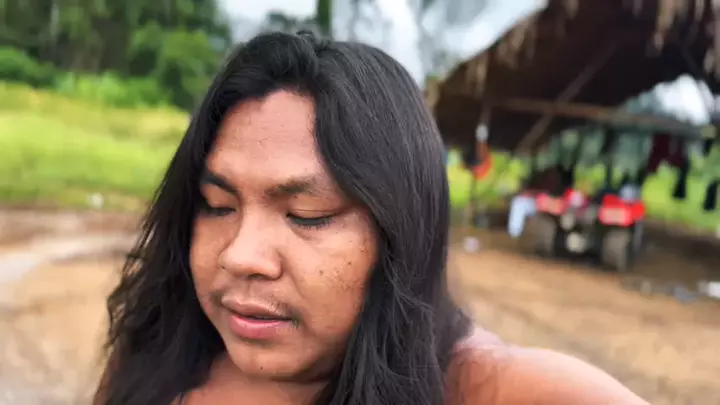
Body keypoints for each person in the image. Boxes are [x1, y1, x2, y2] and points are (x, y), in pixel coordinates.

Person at [93, 31, 648, 405]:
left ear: (398, 233)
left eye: (307, 214)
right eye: (218, 205)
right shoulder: (158, 350)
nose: (240, 255)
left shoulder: (495, 390)